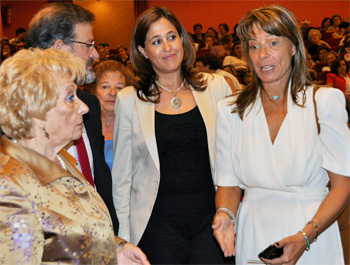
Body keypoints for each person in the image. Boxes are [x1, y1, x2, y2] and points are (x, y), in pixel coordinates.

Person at [212, 5, 350, 265]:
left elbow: (342, 185)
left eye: (273, 42)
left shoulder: (324, 102)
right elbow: (228, 185)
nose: (262, 54)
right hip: (254, 231)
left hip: (312, 234)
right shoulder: (229, 110)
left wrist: (305, 237)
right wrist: (225, 214)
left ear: (294, 47)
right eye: (254, 46)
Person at [0, 48, 149, 265]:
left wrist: (115, 249)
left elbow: (66, 232)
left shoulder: (60, 158)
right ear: (37, 111)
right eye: (71, 97)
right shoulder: (9, 186)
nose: (84, 107)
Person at [112, 6, 232, 264]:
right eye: (156, 41)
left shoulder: (216, 87)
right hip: (156, 226)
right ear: (143, 51)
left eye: (171, 37)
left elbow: (233, 159)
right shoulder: (129, 100)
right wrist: (123, 239)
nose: (167, 47)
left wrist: (231, 212)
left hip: (211, 223)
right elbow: (122, 178)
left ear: (182, 40)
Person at [26, 2, 118, 236]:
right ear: (60, 48)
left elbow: (97, 179)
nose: (95, 54)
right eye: (89, 45)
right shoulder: (14, 116)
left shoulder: (90, 104)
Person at [90, 60, 135, 170]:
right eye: (105, 87)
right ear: (94, 91)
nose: (113, 93)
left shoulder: (135, 128)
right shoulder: (83, 127)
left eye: (119, 88)